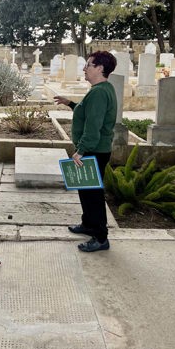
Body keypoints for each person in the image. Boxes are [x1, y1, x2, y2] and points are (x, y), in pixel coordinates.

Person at [55, 51, 117, 252]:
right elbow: (87, 111)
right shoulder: (101, 89)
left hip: (94, 151)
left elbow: (94, 126)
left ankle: (100, 237)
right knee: (85, 190)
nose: (84, 68)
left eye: (88, 65)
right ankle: (88, 224)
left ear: (100, 68)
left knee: (93, 195)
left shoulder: (99, 92)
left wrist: (81, 150)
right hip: (95, 149)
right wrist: (70, 103)